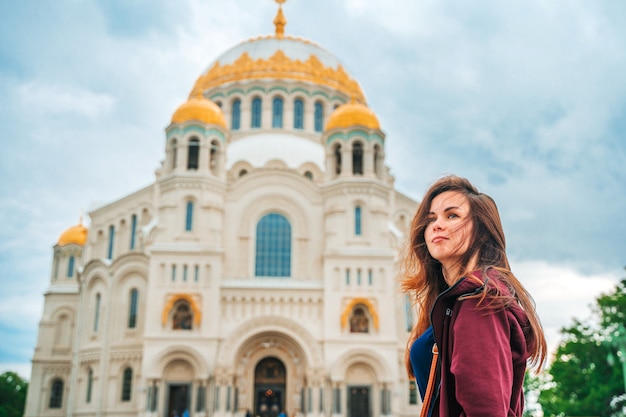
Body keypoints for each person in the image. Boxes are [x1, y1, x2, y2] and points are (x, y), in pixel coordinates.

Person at [400, 175, 547, 416]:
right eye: (431, 219)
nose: (437, 225)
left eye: (452, 216)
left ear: (481, 231)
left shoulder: (479, 303)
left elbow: (485, 409)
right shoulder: (454, 302)